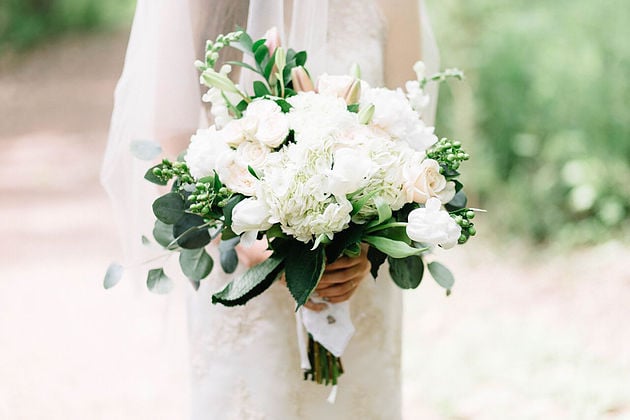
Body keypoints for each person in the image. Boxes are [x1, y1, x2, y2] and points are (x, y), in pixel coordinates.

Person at [101, 0, 439, 418]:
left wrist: (365, 243)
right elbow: (171, 146)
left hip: (356, 280)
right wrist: (240, 237)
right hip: (244, 276)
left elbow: (410, 136)